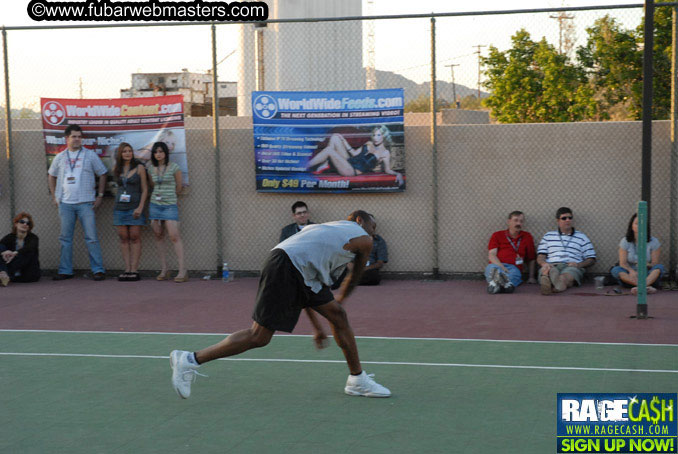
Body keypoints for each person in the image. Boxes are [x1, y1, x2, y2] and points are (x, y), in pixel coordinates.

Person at [169, 210, 391, 399]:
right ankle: (189, 360)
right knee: (259, 336)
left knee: (337, 316)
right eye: (374, 225)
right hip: (287, 266)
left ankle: (357, 379)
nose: (375, 230)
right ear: (360, 221)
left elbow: (307, 288)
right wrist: (341, 298)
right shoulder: (362, 238)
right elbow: (355, 276)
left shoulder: (327, 231)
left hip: (294, 266)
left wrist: (318, 325)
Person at [48, 124, 108, 281]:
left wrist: (100, 195)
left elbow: (102, 173)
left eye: (79, 136)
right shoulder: (60, 157)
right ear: (66, 138)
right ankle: (65, 270)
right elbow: (51, 175)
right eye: (74, 136)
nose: (77, 139)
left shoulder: (90, 155)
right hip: (65, 204)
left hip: (86, 203)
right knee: (65, 238)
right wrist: (55, 196)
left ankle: (98, 270)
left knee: (91, 237)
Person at [306, 126, 404, 186]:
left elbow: (387, 170)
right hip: (349, 161)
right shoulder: (369, 143)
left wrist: (398, 174)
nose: (375, 138)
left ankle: (306, 167)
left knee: (329, 150)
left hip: (352, 171)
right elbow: (354, 153)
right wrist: (343, 141)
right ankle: (326, 162)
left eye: (378, 135)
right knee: (335, 136)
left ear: (384, 136)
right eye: (374, 135)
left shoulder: (385, 153)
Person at [147, 142, 187, 283]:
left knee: (174, 236)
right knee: (158, 236)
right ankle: (165, 269)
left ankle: (182, 270)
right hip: (155, 205)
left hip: (170, 205)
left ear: (166, 153)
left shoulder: (174, 167)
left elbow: (179, 186)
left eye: (161, 151)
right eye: (156, 152)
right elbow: (152, 185)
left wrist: (172, 197)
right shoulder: (151, 168)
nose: (158, 154)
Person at [537, 207, 596, 295]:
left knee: (566, 276)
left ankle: (552, 282)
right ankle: (558, 283)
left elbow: (591, 259)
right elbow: (540, 257)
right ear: (558, 220)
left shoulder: (582, 237)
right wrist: (544, 264)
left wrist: (578, 264)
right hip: (552, 265)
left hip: (571, 266)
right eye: (564, 218)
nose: (567, 220)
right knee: (548, 270)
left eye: (570, 218)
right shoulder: (548, 236)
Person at [112, 142, 148, 281]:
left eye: (129, 151)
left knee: (134, 237)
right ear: (120, 154)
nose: (127, 153)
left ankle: (134, 269)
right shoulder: (117, 168)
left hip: (135, 208)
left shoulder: (139, 168)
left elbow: (145, 189)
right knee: (123, 238)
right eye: (124, 151)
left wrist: (140, 207)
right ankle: (127, 269)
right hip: (120, 208)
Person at [610, 213, 665, 295]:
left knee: (659, 267)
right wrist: (631, 271)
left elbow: (655, 263)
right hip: (631, 275)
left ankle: (641, 287)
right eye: (636, 224)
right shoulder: (625, 241)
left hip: (647, 274)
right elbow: (623, 263)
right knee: (615, 270)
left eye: (642, 224)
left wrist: (647, 264)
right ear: (631, 226)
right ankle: (644, 287)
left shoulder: (654, 241)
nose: (639, 226)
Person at [485, 211, 537, 294]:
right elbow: (492, 255)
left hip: (514, 268)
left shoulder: (527, 236)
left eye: (521, 221)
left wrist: (531, 277)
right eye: (516, 220)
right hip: (497, 265)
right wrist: (502, 267)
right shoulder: (497, 235)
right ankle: (506, 286)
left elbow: (531, 258)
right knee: (491, 269)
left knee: (514, 275)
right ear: (509, 221)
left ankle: (495, 285)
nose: (518, 223)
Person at [332, 213, 388, 287]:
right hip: (350, 268)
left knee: (374, 277)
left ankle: (349, 281)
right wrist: (352, 267)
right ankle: (350, 280)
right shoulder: (349, 238)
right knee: (339, 273)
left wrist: (364, 268)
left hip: (368, 270)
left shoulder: (378, 240)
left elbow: (380, 262)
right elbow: (343, 255)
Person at [0, 212, 41, 286]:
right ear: (16, 224)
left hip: (28, 272)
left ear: (29, 227)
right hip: (11, 267)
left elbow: (30, 247)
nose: (25, 224)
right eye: (22, 222)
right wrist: (4, 252)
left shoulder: (33, 237)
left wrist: (15, 253)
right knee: (1, 248)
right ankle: (4, 274)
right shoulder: (9, 237)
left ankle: (6, 275)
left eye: (27, 223)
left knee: (27, 252)